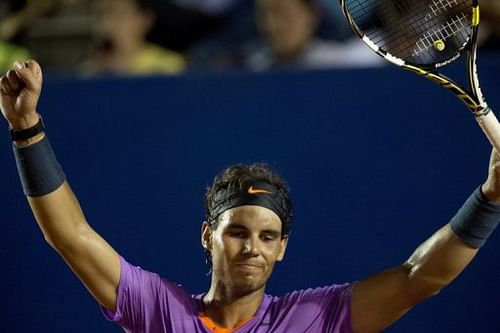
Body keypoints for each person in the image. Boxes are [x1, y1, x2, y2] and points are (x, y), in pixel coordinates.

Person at [1, 59, 499, 332]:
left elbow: (420, 277)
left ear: (283, 247)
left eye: (267, 235)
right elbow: (71, 235)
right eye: (236, 231)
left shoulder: (312, 320)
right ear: (208, 236)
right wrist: (26, 128)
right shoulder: (159, 311)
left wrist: (491, 196)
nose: (252, 247)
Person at [245, 0, 382, 71]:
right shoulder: (249, 66)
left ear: (312, 15)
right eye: (264, 14)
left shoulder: (338, 64)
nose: (271, 25)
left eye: (283, 13)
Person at [83, 0, 186, 76]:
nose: (113, 22)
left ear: (145, 19)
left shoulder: (169, 65)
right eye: (108, 14)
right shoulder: (93, 67)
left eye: (121, 14)